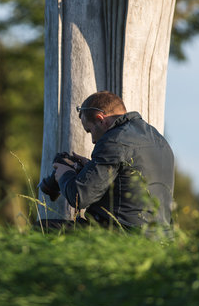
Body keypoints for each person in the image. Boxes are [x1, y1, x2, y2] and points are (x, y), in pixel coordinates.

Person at [52, 91, 175, 233]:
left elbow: (80, 197)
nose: (92, 140)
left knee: (39, 230)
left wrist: (65, 174)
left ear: (100, 119)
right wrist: (90, 169)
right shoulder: (158, 139)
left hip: (121, 235)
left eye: (90, 130)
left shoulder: (114, 140)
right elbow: (127, 184)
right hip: (159, 238)